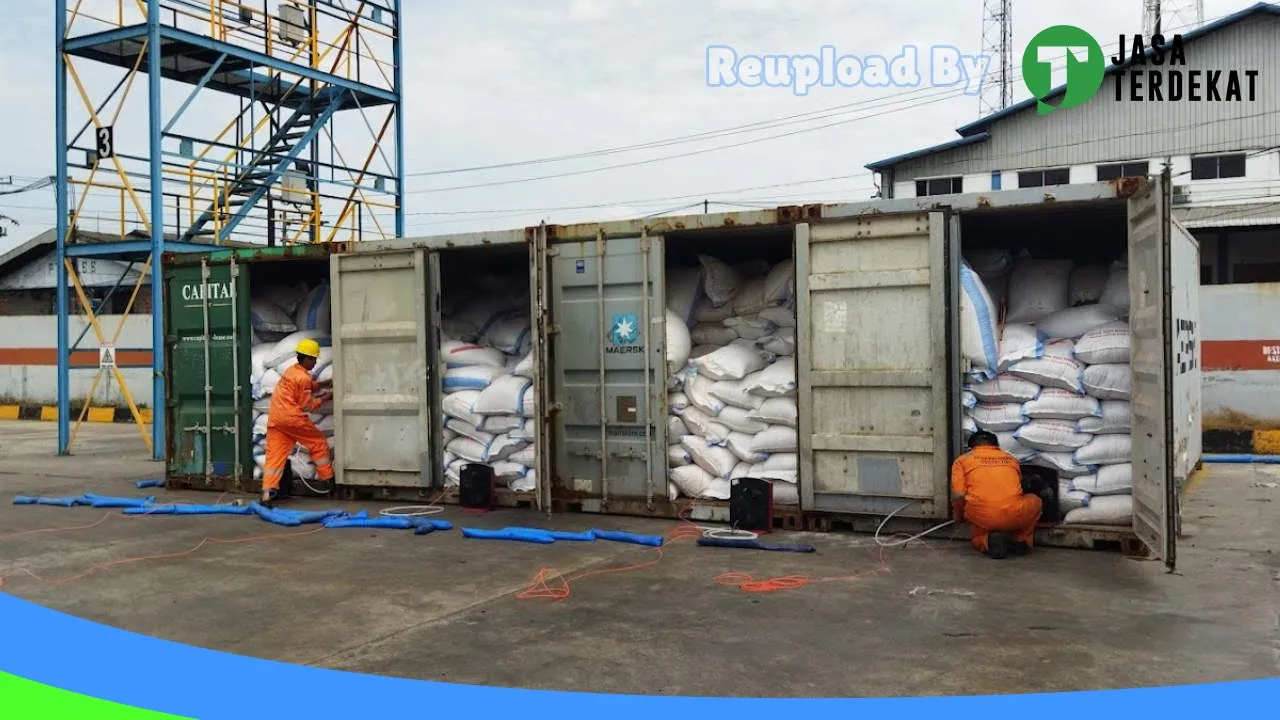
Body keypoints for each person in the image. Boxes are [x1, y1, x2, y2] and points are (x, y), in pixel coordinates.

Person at [262, 338, 334, 507]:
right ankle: (328, 481)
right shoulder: (303, 378)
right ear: (306, 358)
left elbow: (300, 387)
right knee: (318, 443)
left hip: (276, 420)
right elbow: (307, 405)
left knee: (274, 457)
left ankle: (267, 494)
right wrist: (324, 398)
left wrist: (320, 385)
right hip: (293, 419)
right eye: (313, 359)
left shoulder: (290, 371)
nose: (315, 363)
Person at [950, 431, 1043, 559]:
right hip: (1015, 513)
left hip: (983, 515)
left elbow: (959, 495)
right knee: (1035, 501)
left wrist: (959, 516)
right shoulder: (1011, 459)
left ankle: (987, 541)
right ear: (997, 445)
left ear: (971, 447)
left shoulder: (962, 461)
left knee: (977, 532)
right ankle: (1022, 540)